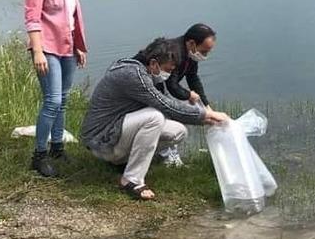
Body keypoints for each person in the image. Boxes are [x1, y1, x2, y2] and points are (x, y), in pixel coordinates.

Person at [81, 37, 229, 200]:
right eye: (168, 69)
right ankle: (131, 179)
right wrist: (206, 115)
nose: (169, 74)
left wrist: (204, 119)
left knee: (178, 132)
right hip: (101, 140)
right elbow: (165, 105)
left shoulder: (148, 74)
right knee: (154, 117)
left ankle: (124, 162)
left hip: (115, 131)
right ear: (153, 63)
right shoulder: (133, 75)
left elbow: (169, 102)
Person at [24, 0, 88, 177]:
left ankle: (57, 148)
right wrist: (37, 51)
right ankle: (38, 156)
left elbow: (72, 18)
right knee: (53, 101)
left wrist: (79, 46)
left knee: (63, 100)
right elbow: (32, 19)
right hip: (47, 48)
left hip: (67, 48)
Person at [155, 23, 218, 167]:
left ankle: (166, 155)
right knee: (172, 117)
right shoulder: (174, 52)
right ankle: (169, 158)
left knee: (175, 114)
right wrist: (188, 95)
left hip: (161, 90)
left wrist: (206, 105)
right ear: (192, 43)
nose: (205, 56)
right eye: (204, 51)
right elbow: (171, 85)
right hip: (153, 90)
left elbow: (193, 78)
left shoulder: (190, 54)